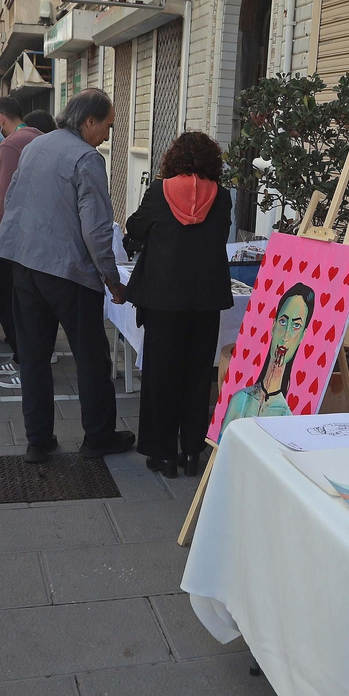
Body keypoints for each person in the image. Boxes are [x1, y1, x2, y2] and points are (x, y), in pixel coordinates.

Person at [0, 89, 133, 463]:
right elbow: (96, 228)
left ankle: (38, 441)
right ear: (90, 121)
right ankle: (98, 436)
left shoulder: (36, 146)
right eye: (108, 126)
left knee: (34, 356)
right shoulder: (87, 158)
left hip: (25, 263)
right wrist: (112, 279)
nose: (108, 134)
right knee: (90, 356)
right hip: (68, 270)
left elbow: (12, 200)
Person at [122, 130, 233, 477]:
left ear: (174, 159)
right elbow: (220, 234)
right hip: (206, 299)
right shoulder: (222, 196)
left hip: (163, 298)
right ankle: (192, 452)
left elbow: (135, 228)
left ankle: (165, 455)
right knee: (198, 376)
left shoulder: (160, 191)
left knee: (161, 375)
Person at [0, 96, 33, 385]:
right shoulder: (39, 136)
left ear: (1, 118)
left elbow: (3, 197)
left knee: (8, 301)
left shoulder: (11, 144)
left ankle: (23, 361)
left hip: (12, 237)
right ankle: (23, 358)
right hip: (34, 235)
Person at [220, 283, 315, 425]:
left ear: (303, 335)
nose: (285, 336)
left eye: (296, 326)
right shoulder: (240, 399)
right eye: (283, 322)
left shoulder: (287, 415)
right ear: (273, 325)